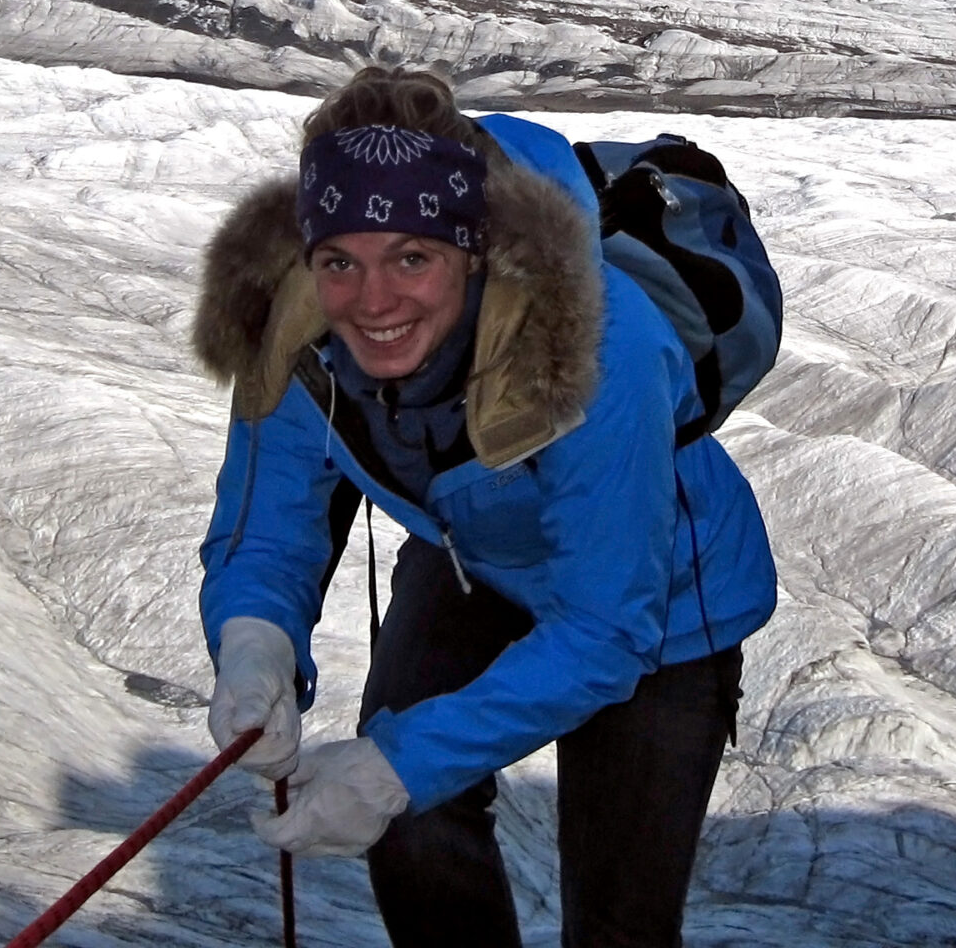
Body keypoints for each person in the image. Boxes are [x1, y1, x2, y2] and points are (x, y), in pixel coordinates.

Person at [192, 66, 778, 948]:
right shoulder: (298, 336)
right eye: (340, 260)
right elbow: (268, 528)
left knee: (618, 926)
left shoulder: (595, 343)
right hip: (473, 556)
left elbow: (604, 630)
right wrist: (253, 643)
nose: (373, 301)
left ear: (473, 252)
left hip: (661, 608)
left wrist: (394, 768)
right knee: (411, 831)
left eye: (412, 257)